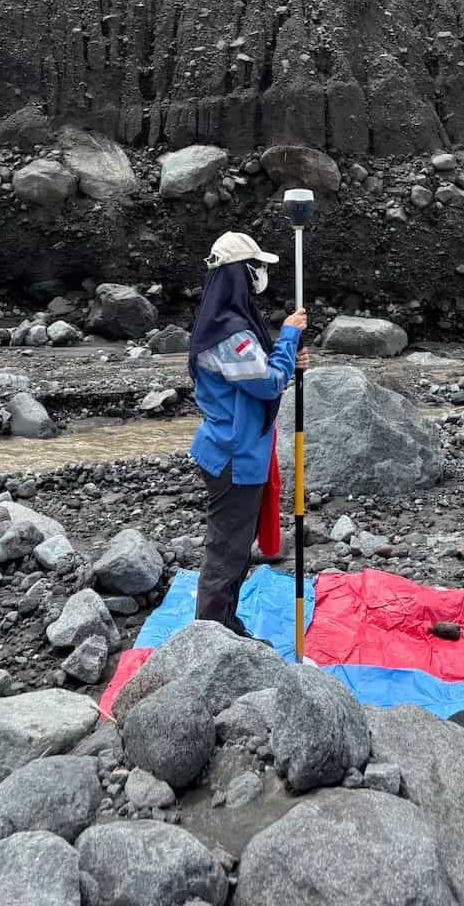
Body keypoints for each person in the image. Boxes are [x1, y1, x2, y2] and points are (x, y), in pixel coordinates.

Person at [189, 231, 307, 632]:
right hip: (233, 457)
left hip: (236, 451)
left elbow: (269, 369)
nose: (261, 275)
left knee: (235, 546)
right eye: (256, 267)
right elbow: (267, 382)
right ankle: (212, 632)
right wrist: (289, 337)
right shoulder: (230, 334)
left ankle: (223, 620)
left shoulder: (226, 323)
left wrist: (289, 357)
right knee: (227, 549)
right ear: (242, 273)